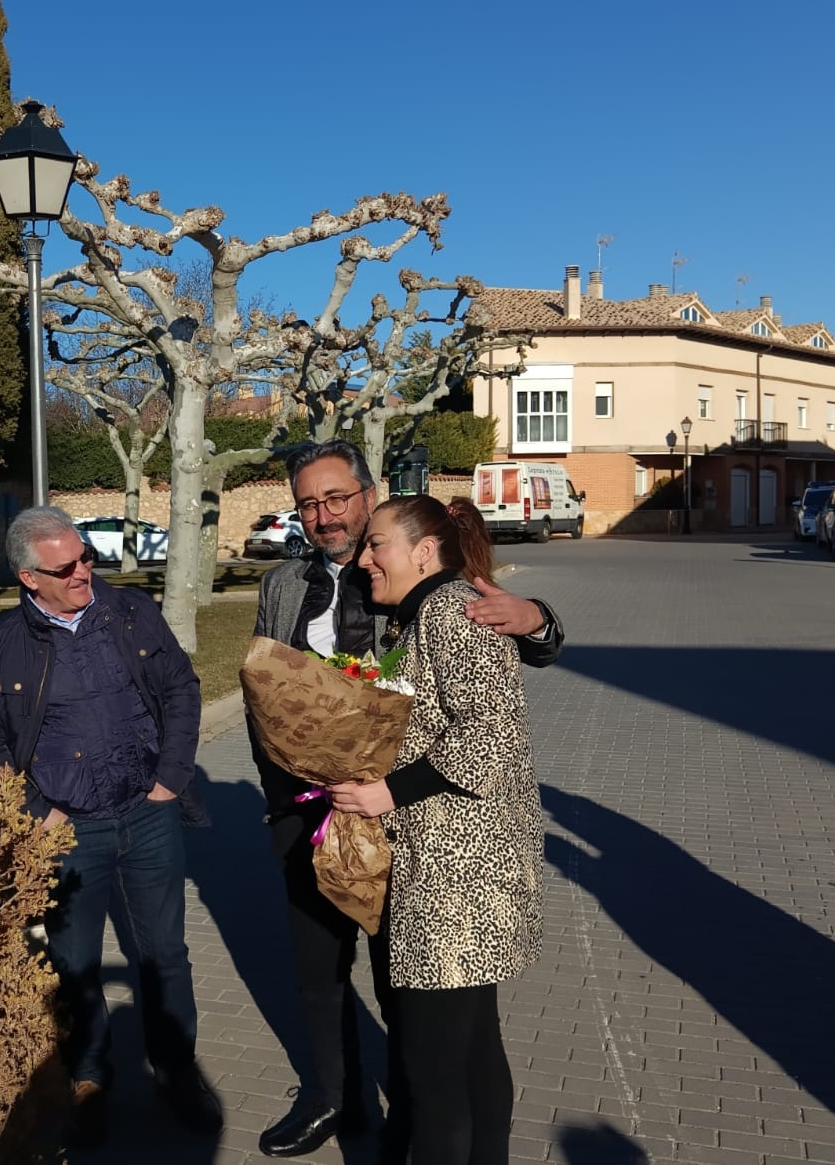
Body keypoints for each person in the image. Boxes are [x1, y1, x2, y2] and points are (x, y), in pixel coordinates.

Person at [251, 441, 562, 1158]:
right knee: (335, 985)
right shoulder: (287, 586)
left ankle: (407, 1134)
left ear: (368, 497)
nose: (327, 517)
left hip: (434, 859)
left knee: (432, 1046)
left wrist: (538, 614)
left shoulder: (445, 605)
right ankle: (335, 1101)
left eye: (338, 499)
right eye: (308, 503)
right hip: (324, 816)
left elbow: (492, 714)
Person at [0, 506, 222, 1147]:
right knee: (74, 961)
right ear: (29, 578)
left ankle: (176, 1071)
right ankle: (89, 1077)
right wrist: (35, 812)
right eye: (67, 567)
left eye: (85, 558)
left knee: (165, 952)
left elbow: (183, 690)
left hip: (147, 812)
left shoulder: (130, 612)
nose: (84, 572)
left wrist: (170, 774)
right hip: (66, 829)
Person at [329, 494, 541, 1165]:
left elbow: (489, 734)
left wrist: (381, 793)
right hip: (454, 871)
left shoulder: (451, 612)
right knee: (475, 1053)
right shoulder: (422, 618)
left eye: (376, 545)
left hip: (454, 882)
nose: (364, 560)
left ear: (425, 551)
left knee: (435, 1077)